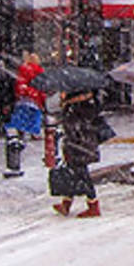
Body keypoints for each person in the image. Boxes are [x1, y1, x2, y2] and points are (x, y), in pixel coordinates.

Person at [51, 90, 105, 218]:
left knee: (81, 173)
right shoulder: (86, 106)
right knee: (73, 172)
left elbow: (74, 128)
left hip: (78, 146)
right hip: (83, 144)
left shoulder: (76, 109)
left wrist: (66, 108)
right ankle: (66, 203)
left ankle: (93, 204)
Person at [5, 52, 46, 178]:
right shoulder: (38, 71)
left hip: (24, 99)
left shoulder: (23, 70)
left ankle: (19, 135)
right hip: (33, 99)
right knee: (32, 116)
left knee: (22, 118)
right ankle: (32, 132)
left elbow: (20, 84)